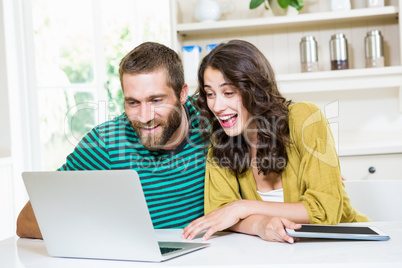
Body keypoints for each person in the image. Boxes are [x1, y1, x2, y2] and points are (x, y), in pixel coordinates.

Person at [182, 39, 369, 243]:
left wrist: (243, 207)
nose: (217, 106)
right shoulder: (221, 138)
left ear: (255, 89)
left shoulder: (304, 117)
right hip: (278, 253)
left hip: (347, 245)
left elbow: (325, 211)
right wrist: (260, 225)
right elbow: (220, 213)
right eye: (210, 94)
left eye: (229, 92)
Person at [16, 42, 208, 239]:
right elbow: (26, 223)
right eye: (133, 102)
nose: (144, 116)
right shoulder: (105, 142)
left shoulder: (213, 122)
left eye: (156, 100)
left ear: (182, 94)